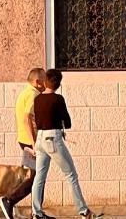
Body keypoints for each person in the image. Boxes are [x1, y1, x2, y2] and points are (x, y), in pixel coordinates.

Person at [30, 68, 101, 219]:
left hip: (40, 138)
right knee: (71, 175)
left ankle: (36, 212)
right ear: (58, 84)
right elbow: (67, 122)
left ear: (45, 82)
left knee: (40, 176)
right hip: (53, 138)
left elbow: (36, 120)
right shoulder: (58, 99)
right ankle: (84, 211)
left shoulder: (37, 99)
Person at [0, 68, 54, 219]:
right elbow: (27, 118)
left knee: (37, 175)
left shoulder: (25, 92)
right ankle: (9, 200)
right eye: (44, 80)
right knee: (38, 177)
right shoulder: (32, 94)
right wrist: (34, 143)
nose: (46, 83)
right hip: (31, 141)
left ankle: (37, 212)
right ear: (37, 82)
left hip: (26, 140)